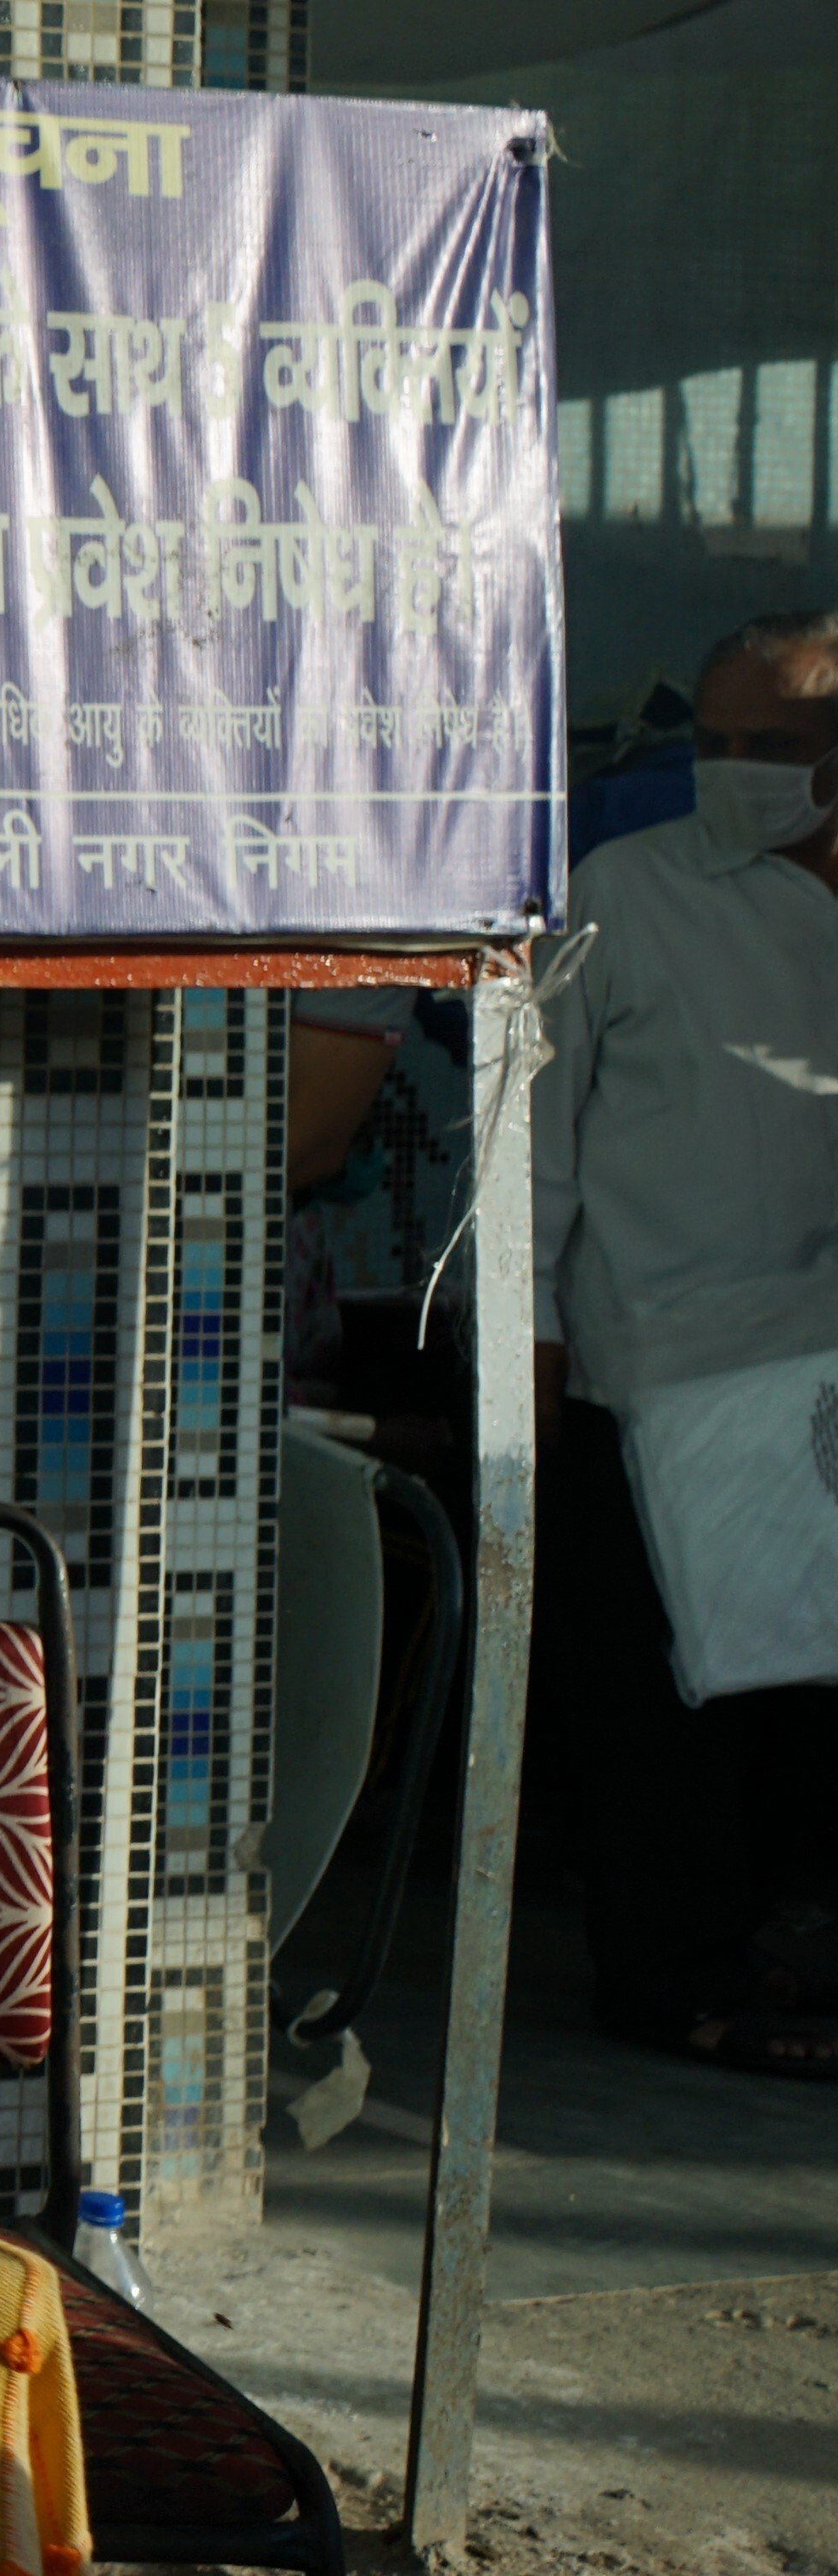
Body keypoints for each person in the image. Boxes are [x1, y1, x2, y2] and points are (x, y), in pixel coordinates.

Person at [529, 605, 838, 2078]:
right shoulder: (627, 893)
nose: (736, 770)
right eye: (716, 741)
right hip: (659, 1374)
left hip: (820, 1378)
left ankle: (764, 1953)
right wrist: (519, 1351)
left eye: (773, 747)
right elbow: (535, 1150)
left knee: (796, 1716)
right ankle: (668, 1982)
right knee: (664, 1725)